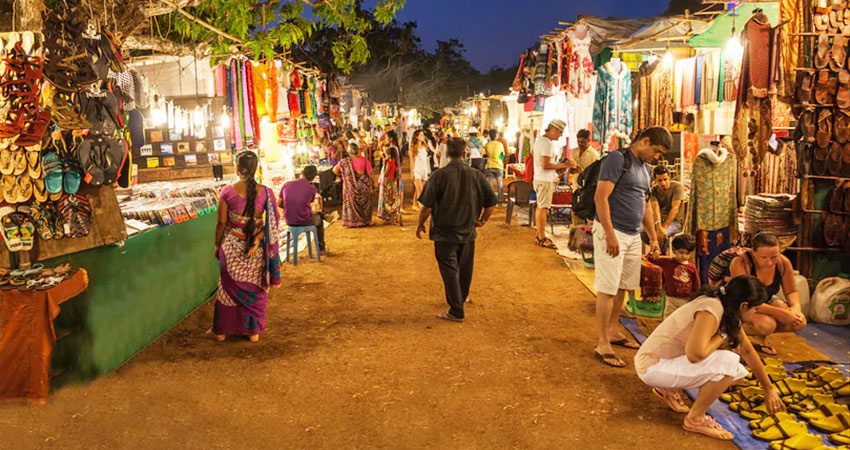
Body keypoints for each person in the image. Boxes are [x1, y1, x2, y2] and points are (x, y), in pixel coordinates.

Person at [635, 276, 785, 440]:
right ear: (743, 306)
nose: (756, 313)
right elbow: (695, 355)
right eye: (755, 309)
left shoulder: (725, 305)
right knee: (729, 362)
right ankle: (695, 419)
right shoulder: (712, 308)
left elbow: (748, 351)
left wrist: (768, 388)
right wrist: (723, 334)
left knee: (739, 372)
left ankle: (667, 388)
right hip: (652, 367)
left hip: (661, 362)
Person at [593, 126, 671, 367]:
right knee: (607, 287)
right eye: (656, 151)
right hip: (612, 231)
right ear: (644, 141)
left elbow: (645, 205)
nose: (656, 157)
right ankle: (602, 341)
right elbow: (600, 198)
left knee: (623, 287)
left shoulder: (646, 169)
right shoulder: (618, 159)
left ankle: (614, 330)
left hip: (632, 234)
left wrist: (653, 237)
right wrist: (609, 233)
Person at [416, 137, 498, 322]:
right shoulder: (476, 175)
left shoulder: (439, 175)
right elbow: (491, 204)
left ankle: (456, 310)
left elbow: (427, 206)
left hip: (444, 232)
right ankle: (460, 299)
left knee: (450, 270)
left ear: (446, 153)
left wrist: (420, 223)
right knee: (464, 268)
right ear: (465, 153)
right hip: (467, 231)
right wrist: (482, 221)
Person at [209, 151, 282, 343]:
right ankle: (253, 332)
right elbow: (273, 224)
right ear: (256, 168)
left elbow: (221, 223)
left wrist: (217, 245)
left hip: (231, 247)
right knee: (255, 289)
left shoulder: (227, 192)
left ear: (237, 168)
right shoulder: (266, 192)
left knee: (225, 290)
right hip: (254, 251)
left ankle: (221, 332)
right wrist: (257, 239)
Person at [728, 232, 806, 355]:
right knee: (767, 324)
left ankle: (760, 337)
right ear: (753, 252)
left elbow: (791, 291)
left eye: (774, 257)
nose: (770, 262)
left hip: (765, 300)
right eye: (764, 258)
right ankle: (729, 332)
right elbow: (748, 299)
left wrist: (795, 308)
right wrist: (781, 313)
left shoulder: (783, 263)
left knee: (798, 321)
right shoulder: (740, 263)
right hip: (742, 303)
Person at [533, 119, 570, 249]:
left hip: (539, 178)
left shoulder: (539, 141)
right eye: (560, 132)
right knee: (543, 208)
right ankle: (542, 237)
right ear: (553, 130)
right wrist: (564, 165)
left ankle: (539, 235)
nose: (560, 135)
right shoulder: (547, 144)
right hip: (544, 180)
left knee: (540, 207)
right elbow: (546, 165)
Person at [648, 234, 700, 318]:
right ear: (674, 250)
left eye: (687, 253)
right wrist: (655, 252)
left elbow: (696, 284)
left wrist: (696, 299)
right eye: (681, 252)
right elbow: (651, 259)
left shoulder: (692, 268)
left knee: (684, 320)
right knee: (668, 319)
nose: (684, 256)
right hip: (671, 299)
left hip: (686, 300)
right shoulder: (667, 262)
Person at [280, 165, 326, 253]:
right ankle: (321, 247)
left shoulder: (287, 184)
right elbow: (309, 202)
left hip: (289, 220)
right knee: (319, 222)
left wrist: (290, 207)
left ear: (302, 173)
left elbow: (280, 203)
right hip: (305, 220)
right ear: (313, 177)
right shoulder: (312, 189)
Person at [642, 166, 685, 254]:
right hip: (659, 221)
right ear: (655, 180)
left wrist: (663, 228)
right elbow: (655, 209)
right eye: (660, 180)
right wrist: (659, 227)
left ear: (669, 177)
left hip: (675, 222)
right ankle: (657, 252)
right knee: (643, 231)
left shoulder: (677, 187)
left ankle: (660, 255)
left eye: (665, 179)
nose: (663, 183)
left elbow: (675, 208)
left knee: (662, 235)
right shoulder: (653, 190)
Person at [333, 142, 373, 227]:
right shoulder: (364, 160)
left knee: (350, 201)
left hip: (350, 187)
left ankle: (352, 221)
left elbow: (335, 170)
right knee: (365, 204)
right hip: (363, 186)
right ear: (357, 151)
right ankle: (364, 221)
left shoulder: (344, 162)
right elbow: (370, 174)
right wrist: (372, 183)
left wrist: (345, 176)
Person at [568, 129, 599, 225]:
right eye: (578, 141)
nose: (580, 144)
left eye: (582, 142)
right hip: (576, 187)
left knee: (588, 212)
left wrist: (583, 172)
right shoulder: (574, 152)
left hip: (588, 189)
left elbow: (595, 173)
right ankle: (577, 232)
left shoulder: (594, 155)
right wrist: (571, 169)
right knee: (576, 210)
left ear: (588, 141)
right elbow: (570, 168)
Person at [377, 132, 403, 224]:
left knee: (388, 198)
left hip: (389, 180)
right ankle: (394, 216)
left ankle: (389, 217)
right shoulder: (395, 149)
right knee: (393, 197)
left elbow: (387, 172)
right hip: (394, 178)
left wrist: (384, 159)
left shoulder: (392, 151)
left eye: (387, 137)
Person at [410, 129, 432, 211]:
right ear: (417, 137)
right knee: (420, 190)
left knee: (419, 188)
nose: (423, 137)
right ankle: (421, 208)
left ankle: (414, 204)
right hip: (417, 170)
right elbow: (412, 161)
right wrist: (412, 173)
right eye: (421, 135)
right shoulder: (413, 147)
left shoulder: (425, 146)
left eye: (423, 135)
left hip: (424, 169)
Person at [482, 129, 506, 202]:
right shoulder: (500, 144)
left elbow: (486, 154)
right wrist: (500, 159)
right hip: (499, 165)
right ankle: (500, 198)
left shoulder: (487, 144)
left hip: (490, 165)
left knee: (490, 182)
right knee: (500, 182)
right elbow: (502, 155)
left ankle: (491, 198)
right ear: (496, 136)